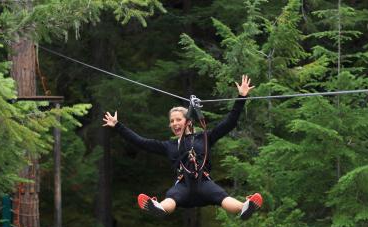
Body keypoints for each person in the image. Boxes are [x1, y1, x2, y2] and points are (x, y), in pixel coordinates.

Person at [102, 75, 262, 219]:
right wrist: (117, 126)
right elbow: (140, 142)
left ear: (189, 123)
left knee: (221, 196)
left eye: (178, 119)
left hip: (204, 183)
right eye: (172, 121)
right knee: (171, 197)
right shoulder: (169, 146)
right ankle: (158, 208)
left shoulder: (205, 137)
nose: (174, 123)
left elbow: (230, 122)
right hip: (183, 186)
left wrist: (241, 97)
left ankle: (244, 207)